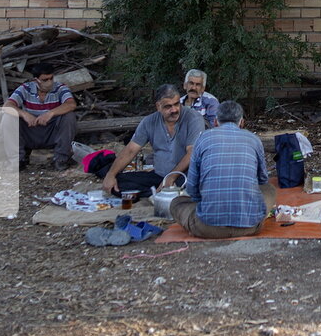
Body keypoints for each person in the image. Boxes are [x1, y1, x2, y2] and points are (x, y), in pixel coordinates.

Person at [171, 100, 277, 238]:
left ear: (215, 122)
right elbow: (263, 180)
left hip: (206, 228)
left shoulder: (202, 139)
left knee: (176, 203)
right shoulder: (254, 139)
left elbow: (192, 188)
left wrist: (201, 201)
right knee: (270, 189)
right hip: (250, 226)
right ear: (242, 122)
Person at [100, 84, 205, 197]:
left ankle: (157, 192)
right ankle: (158, 192)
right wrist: (111, 174)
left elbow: (192, 152)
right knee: (117, 182)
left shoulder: (193, 118)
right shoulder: (149, 122)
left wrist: (171, 176)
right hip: (158, 175)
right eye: (168, 106)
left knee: (192, 185)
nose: (174, 110)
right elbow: (131, 150)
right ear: (158, 106)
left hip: (184, 176)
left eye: (176, 104)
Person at [3, 62, 77, 170]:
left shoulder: (60, 88)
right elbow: (7, 105)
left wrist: (50, 113)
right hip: (30, 130)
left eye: (51, 78)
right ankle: (17, 160)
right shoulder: (25, 89)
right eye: (45, 80)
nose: (49, 82)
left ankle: (61, 159)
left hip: (52, 132)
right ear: (35, 80)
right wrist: (25, 114)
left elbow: (71, 104)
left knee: (69, 116)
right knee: (8, 117)